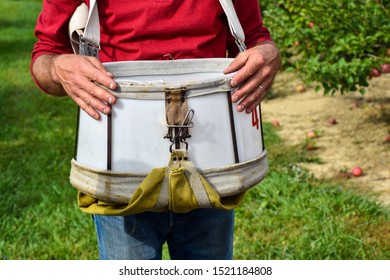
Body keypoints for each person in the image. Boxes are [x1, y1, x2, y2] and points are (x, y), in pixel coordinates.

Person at [31, 0, 282, 260]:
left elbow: (253, 37)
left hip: (211, 169)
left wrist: (266, 52)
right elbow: (45, 55)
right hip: (121, 175)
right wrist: (58, 67)